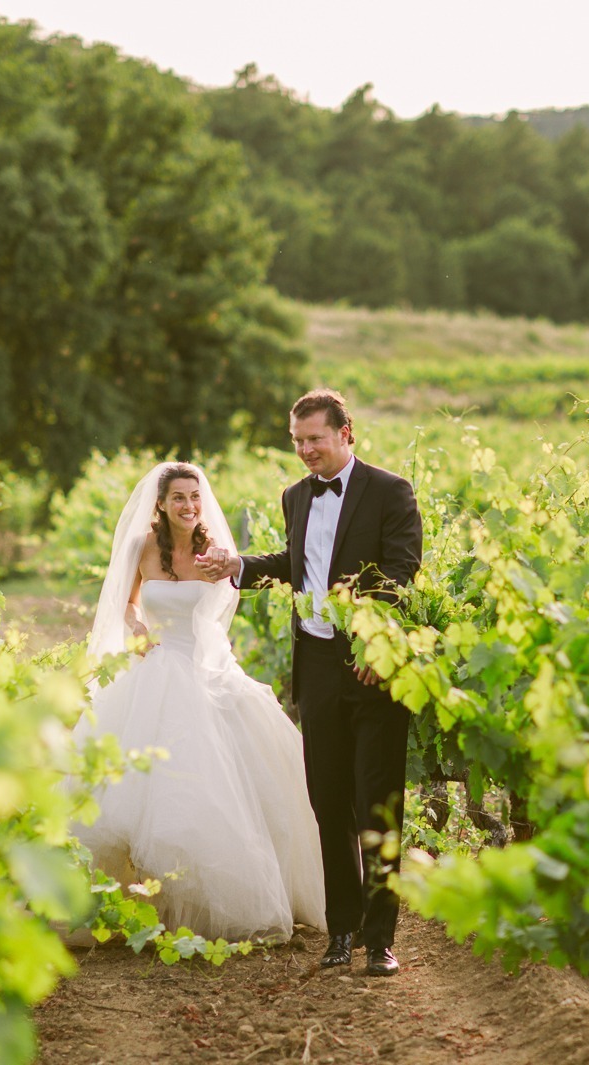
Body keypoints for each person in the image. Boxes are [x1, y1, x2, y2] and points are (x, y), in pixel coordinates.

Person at [198, 389, 423, 977]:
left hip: (372, 664)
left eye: (315, 439)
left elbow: (401, 573)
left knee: (378, 804)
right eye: (297, 441)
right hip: (318, 666)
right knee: (328, 802)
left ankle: (380, 940)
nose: (305, 451)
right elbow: (298, 564)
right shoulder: (295, 496)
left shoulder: (391, 492)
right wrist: (240, 567)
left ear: (347, 433)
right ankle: (341, 931)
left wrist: (380, 641)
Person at [73, 461, 326, 941]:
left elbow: (220, 609)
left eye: (194, 497)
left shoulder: (215, 551)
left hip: (200, 663)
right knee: (133, 789)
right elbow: (125, 603)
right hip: (153, 666)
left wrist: (212, 645)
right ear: (161, 505)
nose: (188, 506)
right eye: (178, 498)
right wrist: (138, 627)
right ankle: (133, 902)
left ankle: (199, 902)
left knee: (216, 779)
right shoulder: (142, 547)